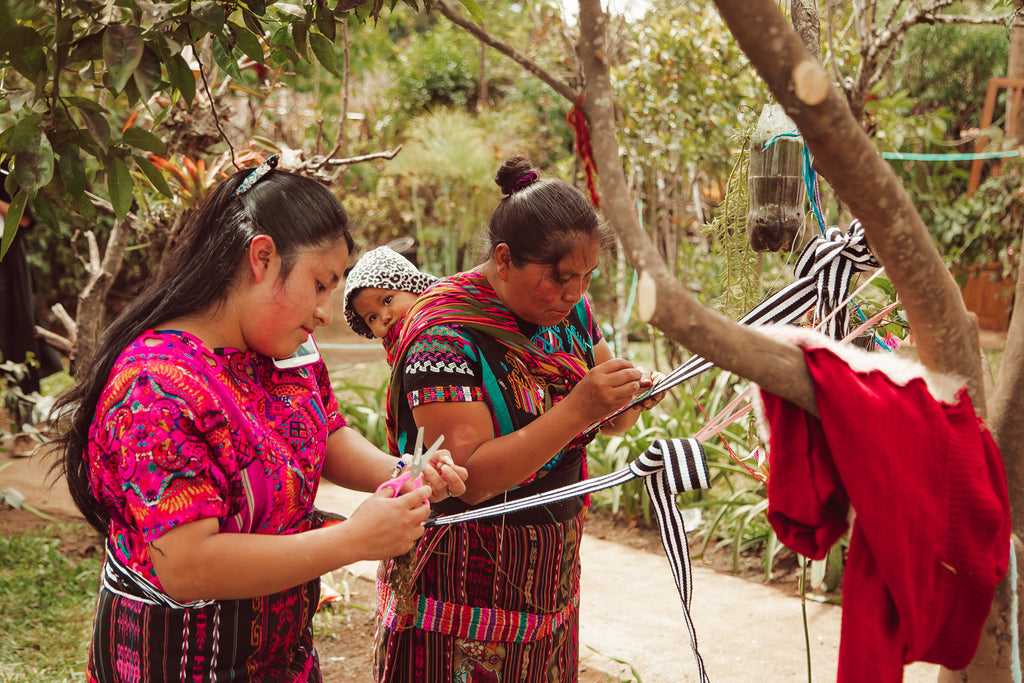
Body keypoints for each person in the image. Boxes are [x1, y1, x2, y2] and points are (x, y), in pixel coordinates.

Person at [50, 156, 468, 683]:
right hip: (178, 660)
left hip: (281, 652)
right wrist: (353, 540)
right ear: (262, 258)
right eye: (320, 285)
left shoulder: (286, 348)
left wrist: (402, 471)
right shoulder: (156, 385)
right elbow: (186, 565)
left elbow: (324, 430)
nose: (324, 312)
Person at [375, 155, 663, 681]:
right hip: (462, 575)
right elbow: (473, 478)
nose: (575, 293)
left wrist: (626, 399)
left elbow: (609, 420)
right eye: (559, 278)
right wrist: (581, 407)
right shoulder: (445, 335)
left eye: (586, 277)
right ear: (504, 260)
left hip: (549, 566)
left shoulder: (568, 311)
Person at [342, 245, 437, 365]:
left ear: (413, 287)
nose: (384, 317)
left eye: (387, 300)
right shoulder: (396, 350)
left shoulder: (437, 326)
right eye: (372, 317)